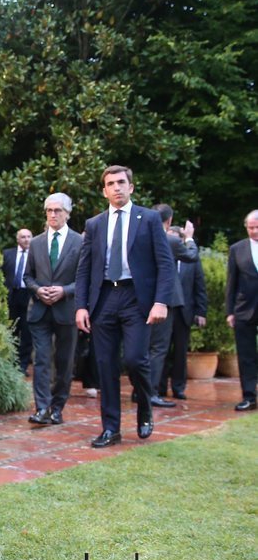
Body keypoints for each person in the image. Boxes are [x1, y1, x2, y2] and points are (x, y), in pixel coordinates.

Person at [75, 166, 175, 448]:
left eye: (121, 182)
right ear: (104, 190)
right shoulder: (94, 224)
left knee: (134, 359)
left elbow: (165, 264)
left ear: (131, 187)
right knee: (105, 365)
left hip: (137, 299)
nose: (116, 187)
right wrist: (81, 306)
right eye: (111, 184)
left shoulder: (150, 219)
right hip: (104, 299)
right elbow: (84, 270)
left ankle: (144, 405)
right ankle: (111, 428)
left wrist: (161, 301)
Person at [23, 193, 82, 425]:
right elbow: (27, 276)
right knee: (41, 360)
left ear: (67, 213)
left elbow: (84, 278)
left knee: (65, 361)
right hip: (40, 310)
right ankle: (42, 408)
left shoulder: (79, 242)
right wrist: (38, 290)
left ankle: (57, 408)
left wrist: (64, 291)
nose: (53, 215)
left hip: (67, 310)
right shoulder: (36, 242)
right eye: (49, 210)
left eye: (57, 210)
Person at [145, 204, 198, 407]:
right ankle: (150, 393)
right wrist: (190, 237)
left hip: (143, 297)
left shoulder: (141, 238)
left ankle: (140, 390)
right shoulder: (170, 240)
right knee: (159, 348)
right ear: (169, 221)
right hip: (164, 300)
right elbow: (192, 256)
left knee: (146, 347)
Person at [157, 238, 207, 400]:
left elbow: (199, 286)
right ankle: (159, 387)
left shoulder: (191, 263)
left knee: (180, 352)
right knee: (160, 349)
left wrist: (201, 311)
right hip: (164, 310)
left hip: (184, 312)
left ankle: (178, 387)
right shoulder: (162, 257)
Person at [226, 209, 258, 412]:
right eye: (251, 227)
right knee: (245, 355)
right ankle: (249, 396)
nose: (254, 231)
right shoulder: (237, 249)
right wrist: (230, 311)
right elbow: (231, 282)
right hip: (244, 309)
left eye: (257, 227)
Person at [2, 228, 34, 373]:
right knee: (11, 330)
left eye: (29, 237)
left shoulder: (36, 255)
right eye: (23, 237)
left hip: (29, 295)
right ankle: (10, 363)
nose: (26, 239)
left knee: (27, 332)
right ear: (17, 239)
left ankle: (23, 365)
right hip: (11, 295)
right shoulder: (7, 254)